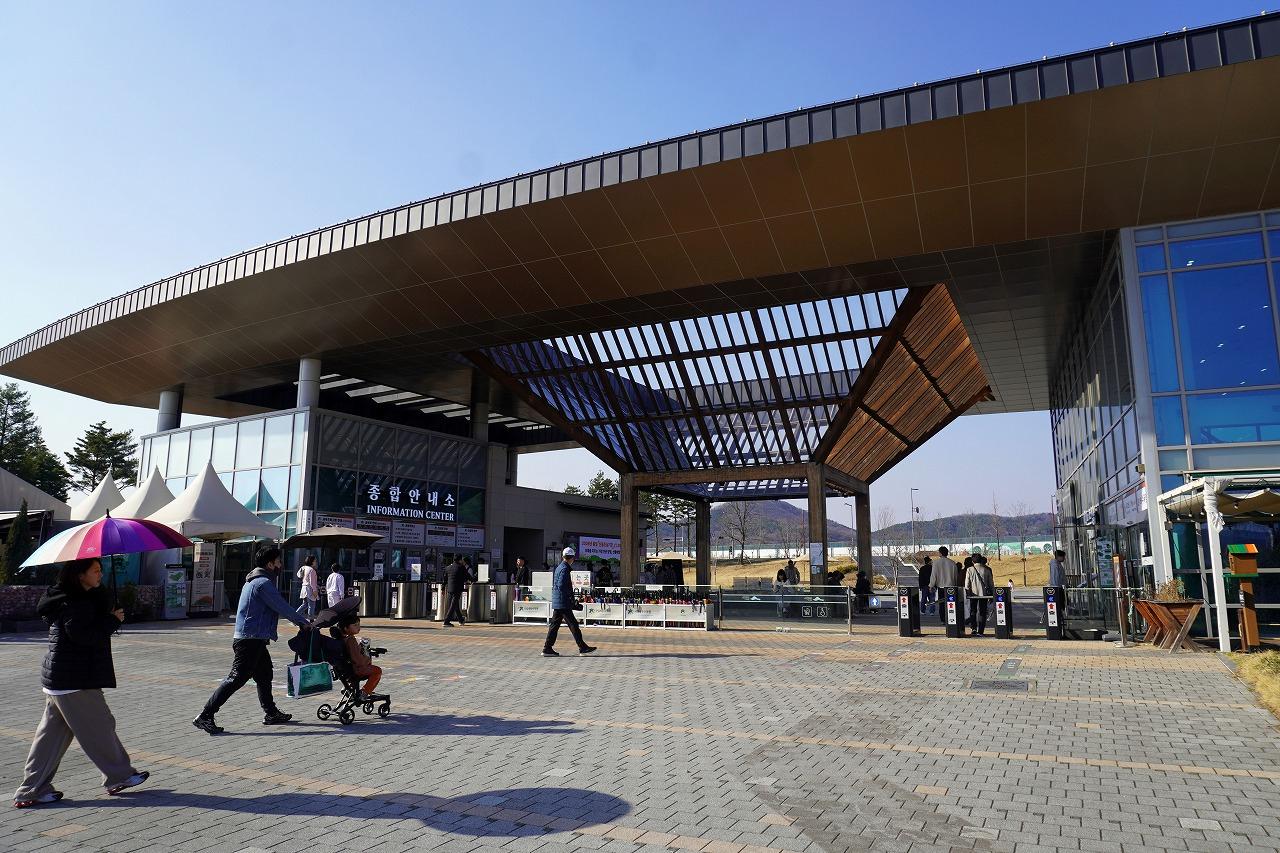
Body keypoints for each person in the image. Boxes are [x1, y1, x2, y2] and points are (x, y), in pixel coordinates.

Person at [13, 558, 150, 808]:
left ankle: (31, 790)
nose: (100, 575)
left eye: (101, 570)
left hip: (61, 679)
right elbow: (82, 636)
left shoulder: (67, 598)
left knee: (50, 740)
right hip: (74, 680)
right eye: (95, 571)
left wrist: (108, 615)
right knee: (101, 726)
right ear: (80, 575)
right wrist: (111, 621)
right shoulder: (76, 602)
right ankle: (119, 776)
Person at [193, 545, 309, 734]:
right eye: (278, 562)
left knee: (264, 674)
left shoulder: (255, 580)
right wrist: (303, 623)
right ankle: (205, 715)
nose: (281, 565)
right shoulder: (262, 583)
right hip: (250, 639)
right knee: (237, 678)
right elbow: (281, 606)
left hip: (254, 638)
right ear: (270, 564)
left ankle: (271, 713)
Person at [542, 547, 596, 657]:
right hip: (563, 602)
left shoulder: (559, 567)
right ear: (572, 558)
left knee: (554, 625)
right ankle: (582, 647)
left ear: (563, 557)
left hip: (559, 601)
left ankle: (547, 648)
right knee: (573, 625)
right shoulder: (565, 569)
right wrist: (570, 598)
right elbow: (561, 585)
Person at [336, 614, 381, 698]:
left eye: (359, 624)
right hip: (357, 669)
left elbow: (352, 653)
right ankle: (365, 692)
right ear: (346, 628)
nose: (358, 627)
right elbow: (358, 660)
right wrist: (367, 656)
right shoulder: (351, 640)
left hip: (346, 669)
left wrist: (360, 646)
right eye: (355, 625)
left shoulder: (342, 639)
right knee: (377, 671)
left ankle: (348, 687)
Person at [929, 547, 963, 626]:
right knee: (951, 603)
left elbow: (933, 575)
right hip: (951, 586)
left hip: (941, 587)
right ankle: (951, 618)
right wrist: (955, 585)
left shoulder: (936, 563)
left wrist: (931, 585)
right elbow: (956, 576)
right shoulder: (952, 563)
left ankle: (943, 619)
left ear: (940, 553)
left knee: (942, 604)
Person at [965, 554, 996, 636]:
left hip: (973, 594)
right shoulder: (986, 569)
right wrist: (992, 594)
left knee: (973, 611)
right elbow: (991, 584)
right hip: (984, 594)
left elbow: (967, 584)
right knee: (982, 612)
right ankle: (981, 630)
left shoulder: (969, 569)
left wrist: (967, 592)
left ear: (972, 561)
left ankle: (973, 628)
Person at [442, 556, 468, 627]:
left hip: (450, 589)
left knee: (455, 604)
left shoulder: (448, 567)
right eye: (461, 559)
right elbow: (467, 576)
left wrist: (443, 588)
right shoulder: (461, 567)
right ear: (460, 560)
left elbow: (445, 579)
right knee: (453, 605)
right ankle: (446, 621)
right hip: (457, 589)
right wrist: (473, 580)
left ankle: (461, 620)